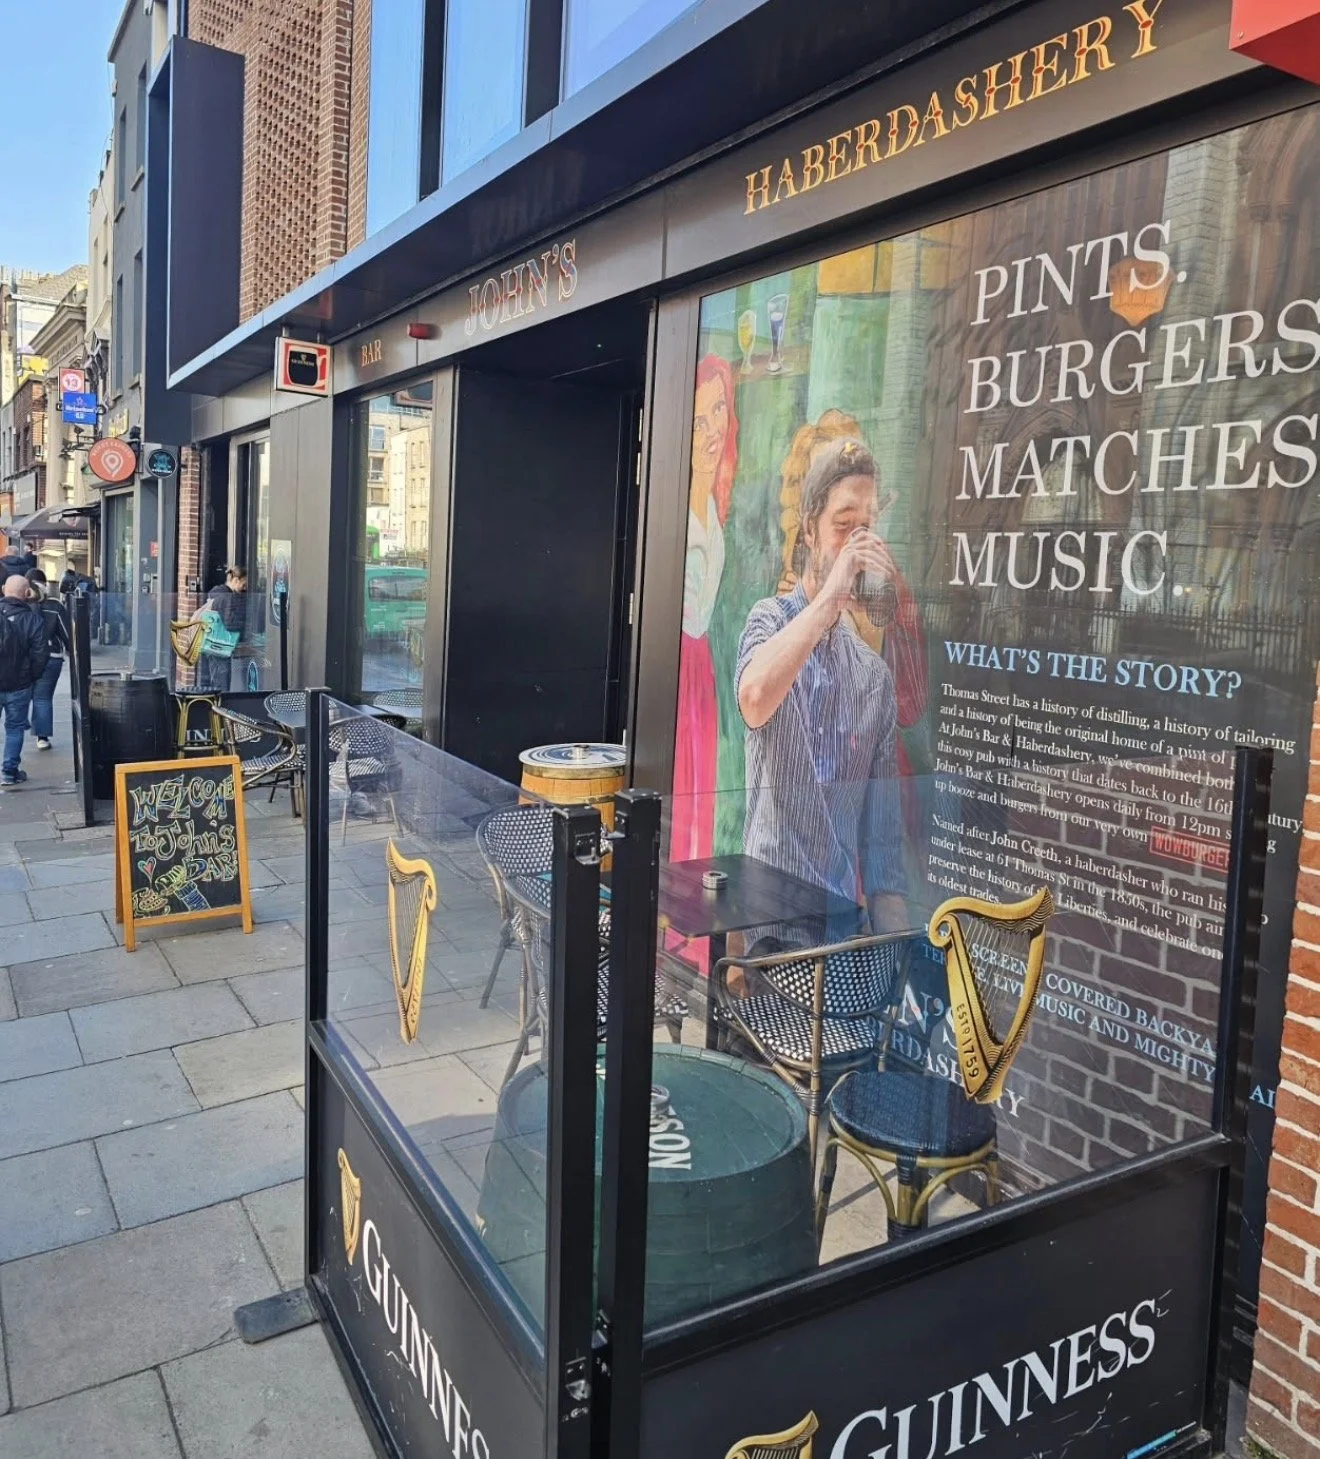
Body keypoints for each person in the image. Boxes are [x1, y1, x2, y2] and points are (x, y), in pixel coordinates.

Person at [735, 438, 907, 936]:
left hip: (836, 928)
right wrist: (831, 597)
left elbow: (883, 848)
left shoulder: (873, 676)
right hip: (767, 919)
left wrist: (892, 957)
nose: (857, 542)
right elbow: (754, 699)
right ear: (810, 528)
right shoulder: (768, 620)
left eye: (867, 527)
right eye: (843, 525)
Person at [673, 354, 739, 864]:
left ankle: (689, 929)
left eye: (719, 410)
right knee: (679, 789)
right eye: (699, 420)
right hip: (678, 664)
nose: (713, 429)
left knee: (698, 794)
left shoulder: (715, 507)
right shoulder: (675, 511)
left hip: (702, 665)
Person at [0, 574, 53, 787]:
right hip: (19, 685)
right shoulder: (32, 620)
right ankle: (9, 772)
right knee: (14, 728)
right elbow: (42, 653)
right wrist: (31, 677)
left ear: (4, 590)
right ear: (27, 593)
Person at [25, 569, 71, 751]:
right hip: (51, 657)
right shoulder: (54, 605)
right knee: (42, 698)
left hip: (25, 659)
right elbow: (67, 634)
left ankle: (19, 725)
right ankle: (42, 738)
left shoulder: (19, 604)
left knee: (20, 696)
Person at [191, 565, 248, 691]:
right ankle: (220, 708)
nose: (245, 589)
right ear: (236, 580)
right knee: (222, 684)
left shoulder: (216, 593)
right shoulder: (227, 597)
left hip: (211, 642)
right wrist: (244, 626)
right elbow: (229, 623)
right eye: (244, 584)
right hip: (220, 646)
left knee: (214, 680)